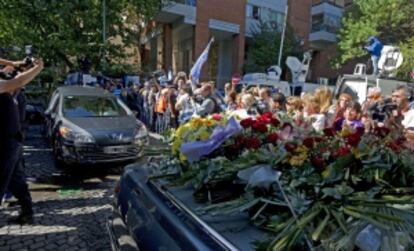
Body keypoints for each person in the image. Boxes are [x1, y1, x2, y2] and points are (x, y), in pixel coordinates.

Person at [0, 57, 44, 224]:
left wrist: (15, 64)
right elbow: (16, 82)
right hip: (4, 143)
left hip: (13, 140)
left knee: (17, 179)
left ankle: (27, 212)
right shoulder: (6, 85)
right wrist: (37, 68)